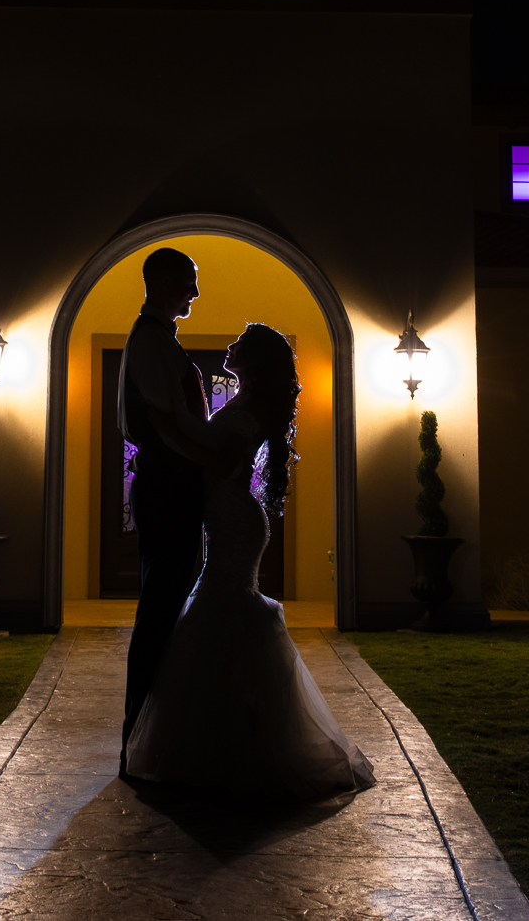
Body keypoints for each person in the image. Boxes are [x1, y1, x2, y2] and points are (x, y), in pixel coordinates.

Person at [124, 323, 377, 799]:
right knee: (225, 611)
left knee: (222, 609)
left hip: (234, 519)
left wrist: (167, 435)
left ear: (254, 360)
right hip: (230, 517)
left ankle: (233, 744)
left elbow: (226, 466)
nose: (229, 344)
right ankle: (232, 732)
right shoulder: (245, 402)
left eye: (239, 341)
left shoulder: (252, 409)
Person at [116, 247, 210, 777]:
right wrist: (212, 455)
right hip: (167, 485)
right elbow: (167, 425)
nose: (194, 294)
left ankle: (152, 737)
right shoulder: (150, 342)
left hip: (173, 483)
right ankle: (138, 741)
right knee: (159, 612)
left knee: (167, 610)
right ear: (165, 280)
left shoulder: (158, 341)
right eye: (188, 282)